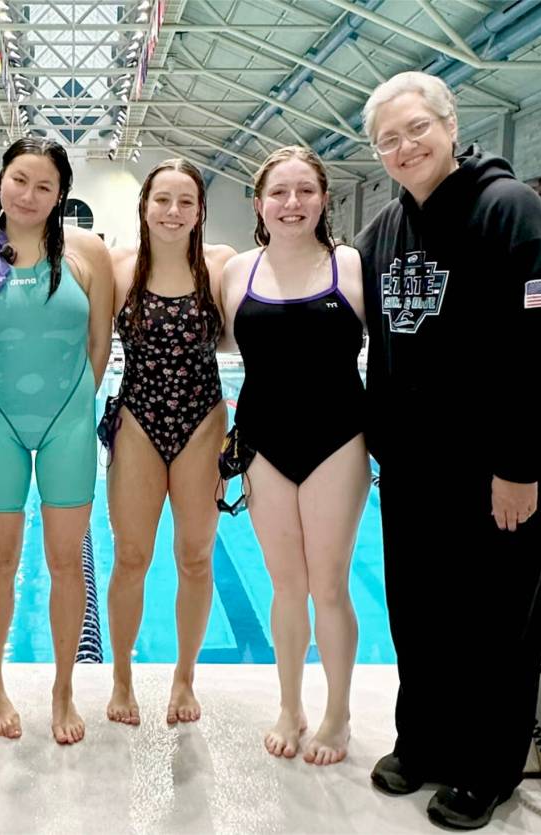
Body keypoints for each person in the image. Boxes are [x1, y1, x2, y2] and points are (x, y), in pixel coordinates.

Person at [356, 72, 541, 830]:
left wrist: (521, 464)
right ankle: (423, 743)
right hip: (415, 471)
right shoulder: (385, 228)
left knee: (496, 621)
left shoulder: (509, 210)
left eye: (417, 128)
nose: (404, 146)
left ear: (450, 126)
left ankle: (488, 769)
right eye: (388, 139)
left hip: (501, 470)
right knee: (419, 614)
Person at [0, 138, 113, 744]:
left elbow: (100, 346)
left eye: (44, 186)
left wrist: (74, 404)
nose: (29, 195)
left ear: (61, 194)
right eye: (20, 179)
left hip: (68, 420)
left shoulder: (87, 252)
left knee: (67, 563)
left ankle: (64, 689)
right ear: (0, 179)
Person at [220, 146, 369, 766]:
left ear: (324, 199)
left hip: (338, 440)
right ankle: (290, 704)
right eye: (279, 192)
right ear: (258, 203)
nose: (292, 203)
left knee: (329, 585)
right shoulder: (235, 272)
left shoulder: (352, 264)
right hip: (262, 443)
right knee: (287, 585)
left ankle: (337, 711)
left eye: (305, 190)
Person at [102, 159, 235, 727]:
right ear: (145, 206)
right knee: (131, 557)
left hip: (203, 421)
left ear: (201, 209)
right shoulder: (119, 267)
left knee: (196, 557)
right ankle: (122, 678)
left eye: (186, 201)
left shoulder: (221, 265)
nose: (173, 211)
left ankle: (184, 678)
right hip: (138, 420)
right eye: (163, 200)